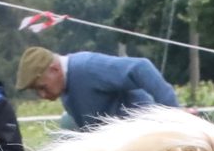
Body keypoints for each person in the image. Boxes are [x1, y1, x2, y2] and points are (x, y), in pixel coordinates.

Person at [12, 46, 180, 130]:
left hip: (144, 135)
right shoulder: (65, 87)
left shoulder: (87, 67)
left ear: (55, 69)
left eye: (42, 87)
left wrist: (174, 115)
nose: (42, 95)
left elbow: (140, 67)